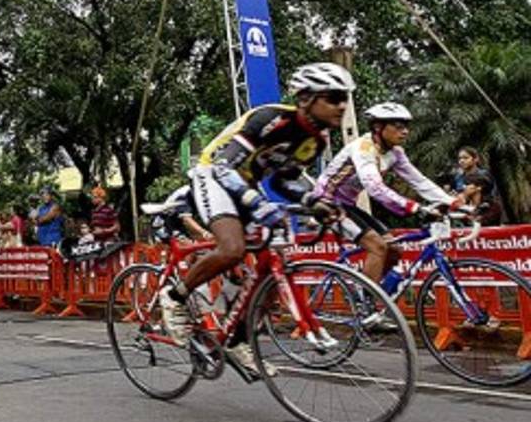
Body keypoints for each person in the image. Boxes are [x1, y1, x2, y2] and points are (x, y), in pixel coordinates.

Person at [160, 62, 351, 378]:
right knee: (232, 248)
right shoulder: (272, 119)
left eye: (344, 97)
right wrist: (257, 204)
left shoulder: (317, 141)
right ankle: (174, 296)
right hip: (213, 175)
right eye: (332, 97)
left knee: (272, 271)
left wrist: (314, 202)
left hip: (246, 184)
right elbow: (223, 168)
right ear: (305, 98)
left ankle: (236, 340)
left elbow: (283, 181)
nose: (341, 105)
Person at [310, 102, 456, 291]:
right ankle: (367, 304)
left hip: (348, 204)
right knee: (378, 247)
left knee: (394, 250)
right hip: (326, 202)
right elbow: (375, 187)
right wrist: (414, 208)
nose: (405, 131)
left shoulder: (395, 153)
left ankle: (374, 293)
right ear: (378, 127)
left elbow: (418, 180)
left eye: (406, 126)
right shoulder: (363, 149)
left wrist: (452, 202)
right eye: (398, 125)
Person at [449, 146, 502, 225]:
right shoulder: (458, 177)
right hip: (468, 212)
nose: (461, 161)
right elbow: (460, 195)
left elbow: (476, 192)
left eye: (465, 158)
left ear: (475, 159)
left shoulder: (483, 175)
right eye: (459, 158)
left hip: (486, 212)